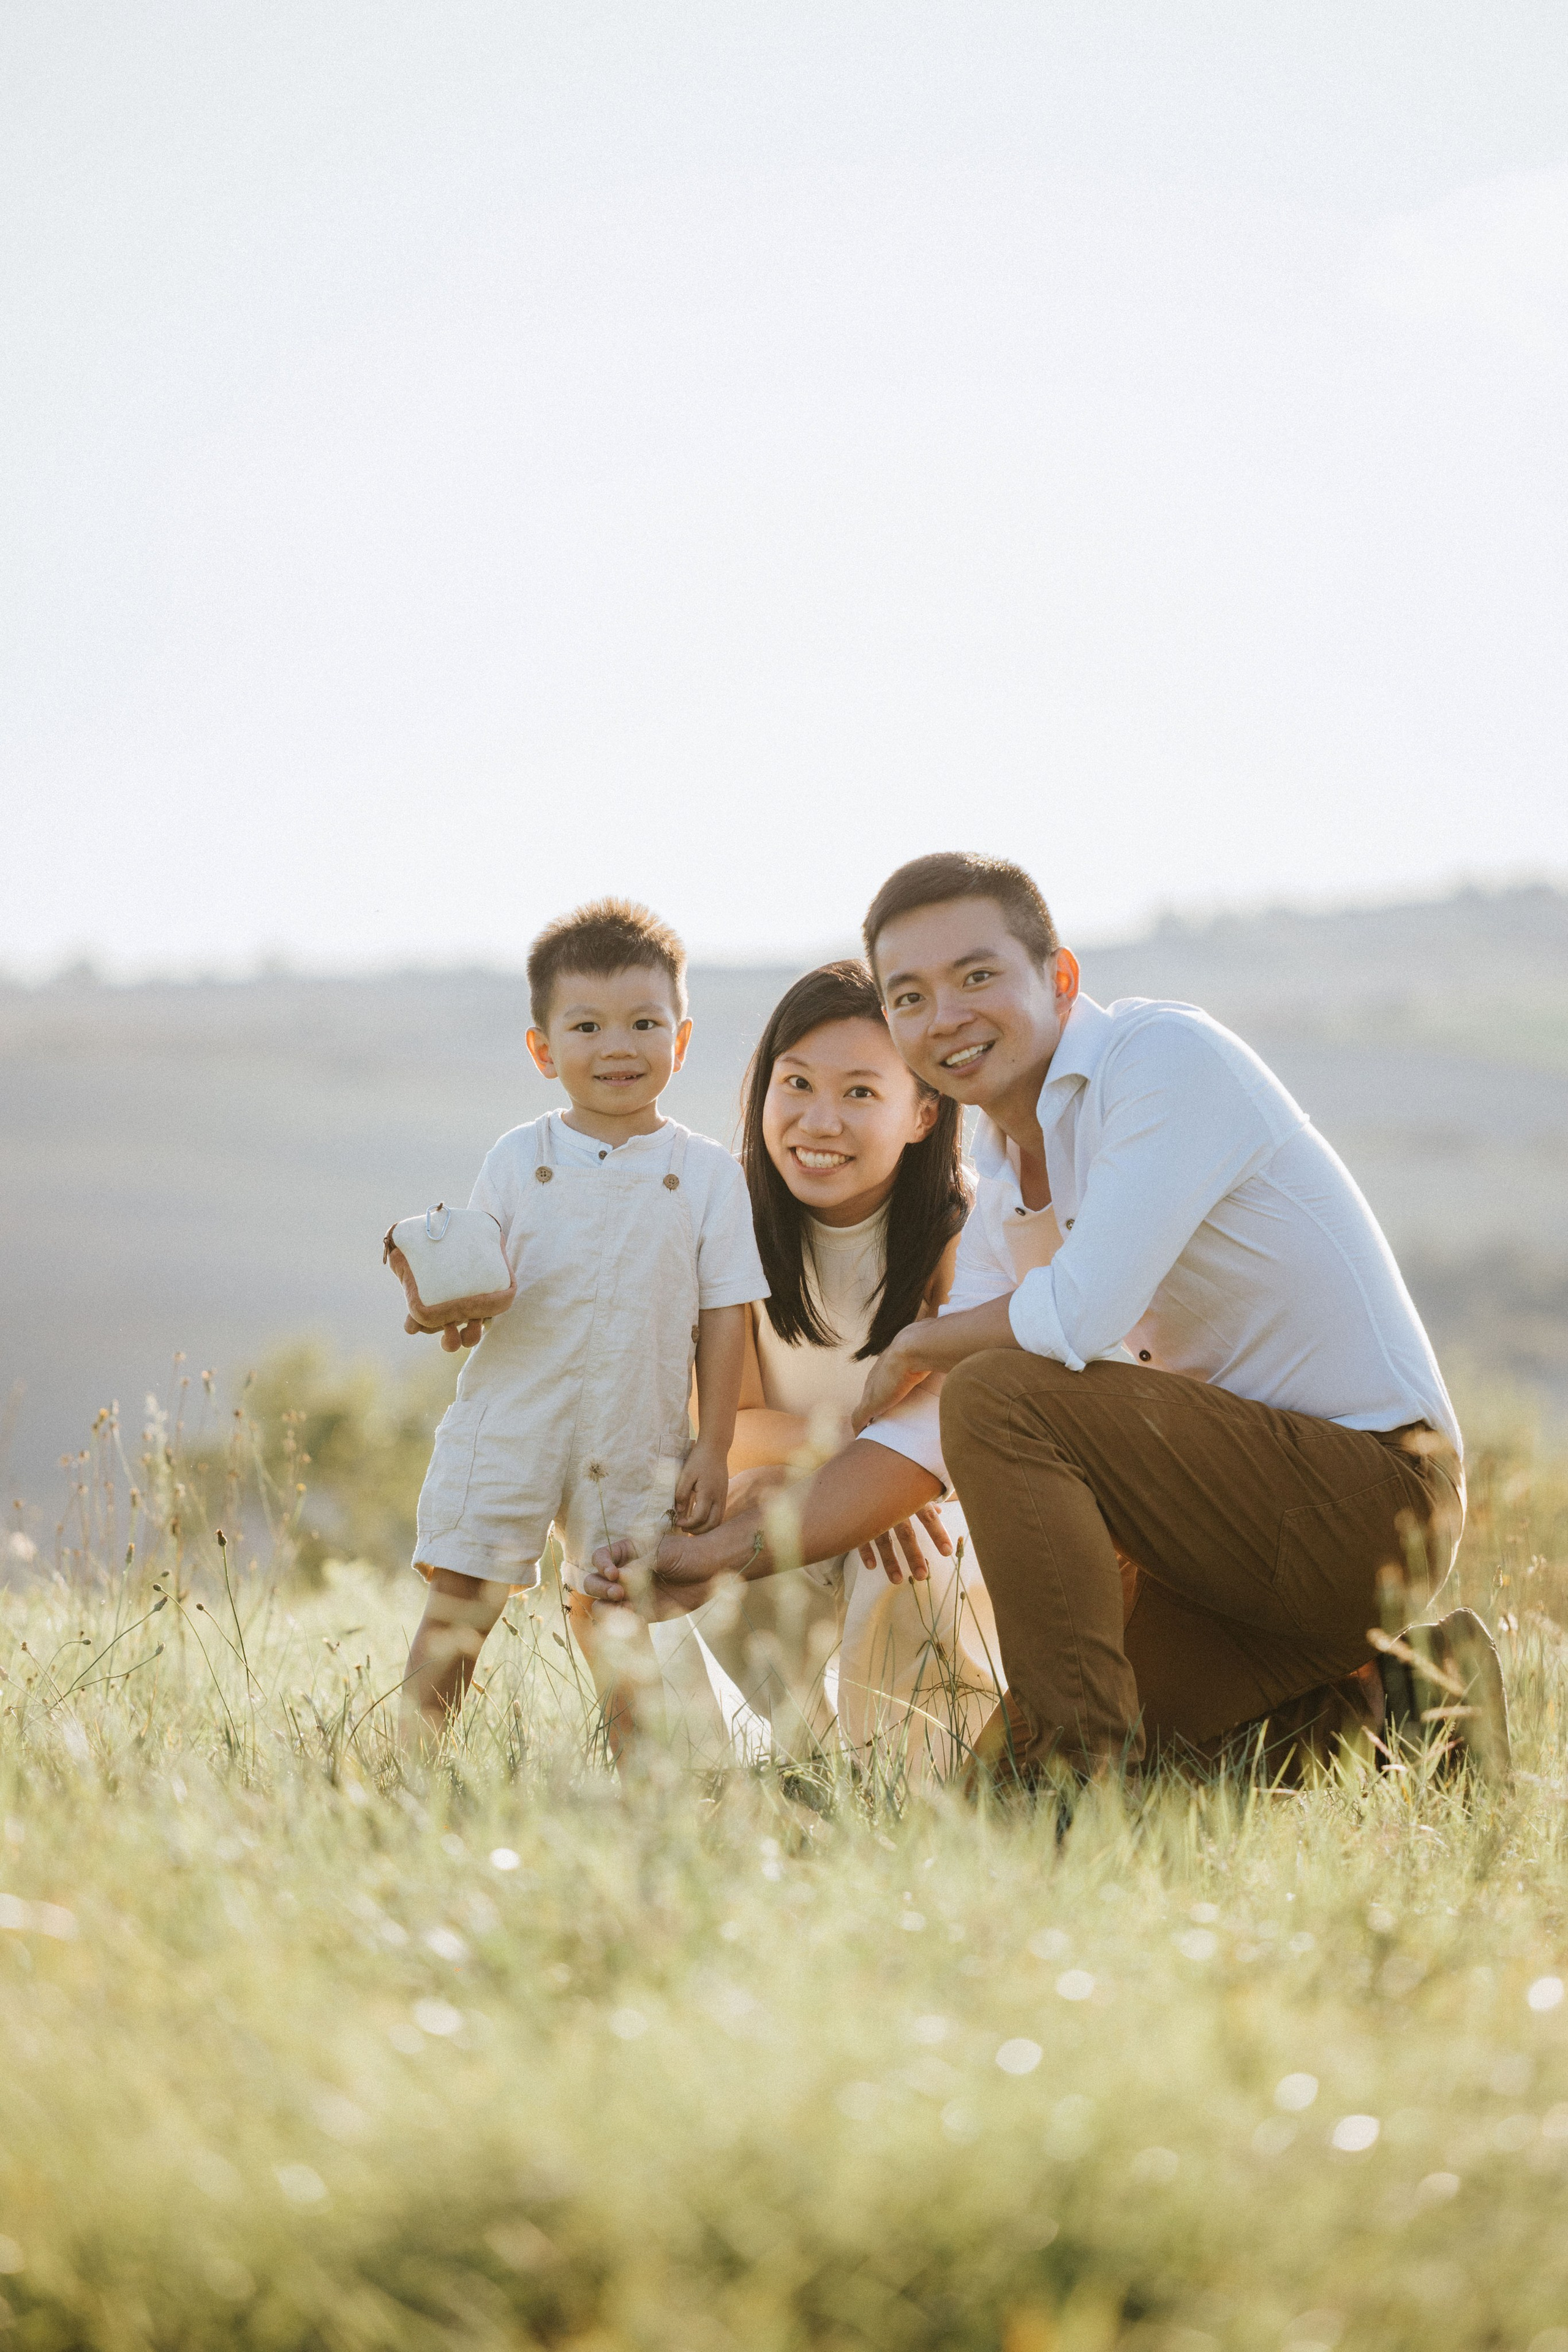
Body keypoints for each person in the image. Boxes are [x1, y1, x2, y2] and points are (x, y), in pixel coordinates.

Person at [587, 853, 1508, 1787]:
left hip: (1371, 1499)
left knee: (999, 1395)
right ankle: (1411, 1703)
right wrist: (717, 1557)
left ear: (1059, 978)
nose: (945, 1016)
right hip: (1220, 1537)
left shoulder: (1162, 1060)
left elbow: (1079, 1310)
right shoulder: (1004, 1191)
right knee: (996, 1801)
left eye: (976, 976)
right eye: (910, 997)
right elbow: (914, 1442)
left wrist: (920, 1341)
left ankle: (1077, 1769)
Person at [396, 897, 767, 1746]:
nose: (618, 1046)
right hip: (513, 1416)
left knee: (619, 1609)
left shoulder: (707, 1175)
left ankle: (647, 1786)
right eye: (588, 1026)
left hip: (637, 1427)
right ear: (543, 1050)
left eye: (644, 1023)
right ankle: (405, 1770)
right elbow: (479, 1281)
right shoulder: (517, 1158)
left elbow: (725, 1314)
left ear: (681, 1039)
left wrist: (712, 1444)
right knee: (461, 1600)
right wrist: (450, 1313)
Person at [652, 960, 1002, 1777]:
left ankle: (922, 1782)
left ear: (924, 1112)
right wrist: (856, 1468)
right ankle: (800, 1771)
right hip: (792, 1479)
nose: (820, 1120)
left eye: (860, 1093)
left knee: (907, 1556)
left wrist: (886, 1489)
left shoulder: (961, 1224)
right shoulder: (728, 1217)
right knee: (736, 1515)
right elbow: (727, 1430)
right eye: (798, 1083)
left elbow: (964, 1417)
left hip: (934, 1505)